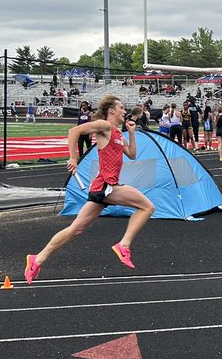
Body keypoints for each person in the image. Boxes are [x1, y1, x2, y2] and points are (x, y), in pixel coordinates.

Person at [24, 96, 153, 283]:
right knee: (147, 207)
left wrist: (131, 133)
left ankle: (37, 258)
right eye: (122, 108)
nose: (125, 112)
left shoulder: (118, 133)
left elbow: (132, 155)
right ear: (111, 111)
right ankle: (123, 245)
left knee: (76, 229)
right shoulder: (104, 126)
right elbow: (74, 130)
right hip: (106, 186)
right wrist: (73, 157)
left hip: (103, 188)